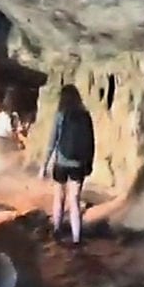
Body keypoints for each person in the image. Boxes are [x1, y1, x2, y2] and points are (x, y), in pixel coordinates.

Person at [39, 84, 95, 246]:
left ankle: (57, 229)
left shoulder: (60, 115)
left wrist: (44, 164)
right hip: (78, 164)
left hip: (61, 162)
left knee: (59, 196)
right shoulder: (85, 116)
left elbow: (52, 141)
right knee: (75, 199)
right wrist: (88, 163)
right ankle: (76, 237)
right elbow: (91, 142)